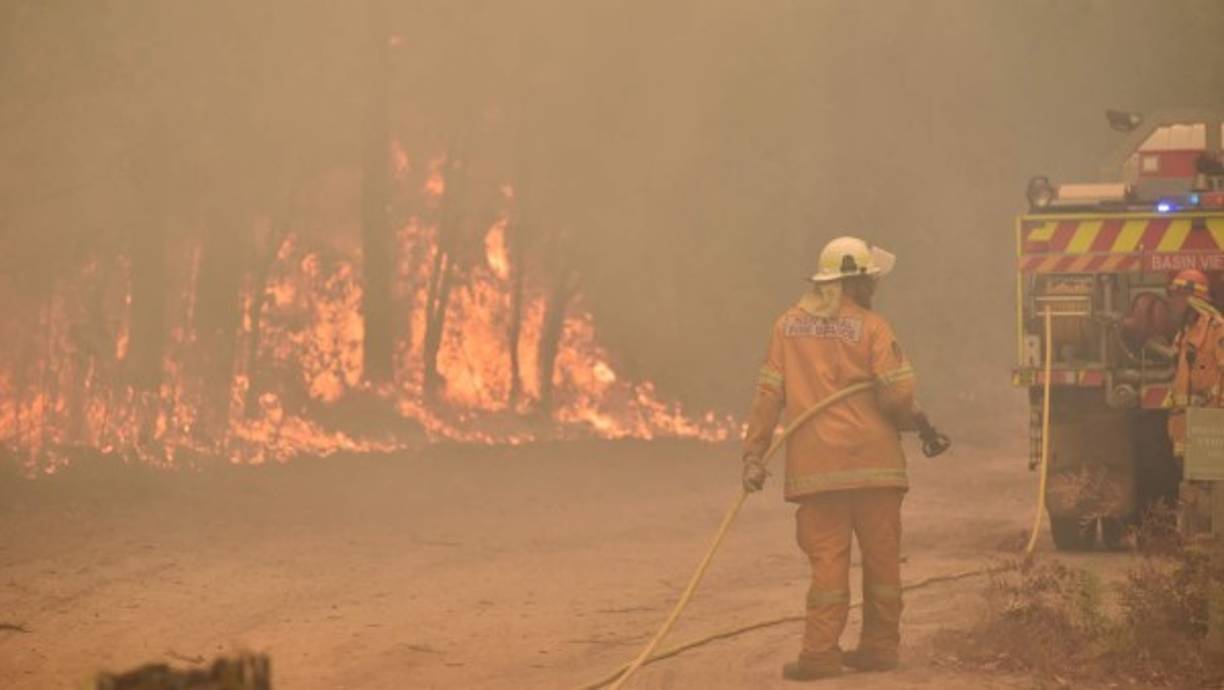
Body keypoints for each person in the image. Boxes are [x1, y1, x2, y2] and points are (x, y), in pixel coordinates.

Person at [741, 235, 920, 681]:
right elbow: (899, 393)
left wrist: (754, 455)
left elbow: (768, 396)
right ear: (855, 283)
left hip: (817, 469)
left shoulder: (786, 327)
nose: (873, 289)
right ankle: (880, 648)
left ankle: (820, 655)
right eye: (869, 281)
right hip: (877, 467)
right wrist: (910, 419)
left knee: (828, 564)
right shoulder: (873, 327)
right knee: (882, 562)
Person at [1164, 268, 1224, 459]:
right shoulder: (1184, 334)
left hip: (1212, 430)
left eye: (1176, 297)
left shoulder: (1217, 331)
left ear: (1192, 300)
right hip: (1189, 429)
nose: (1172, 303)